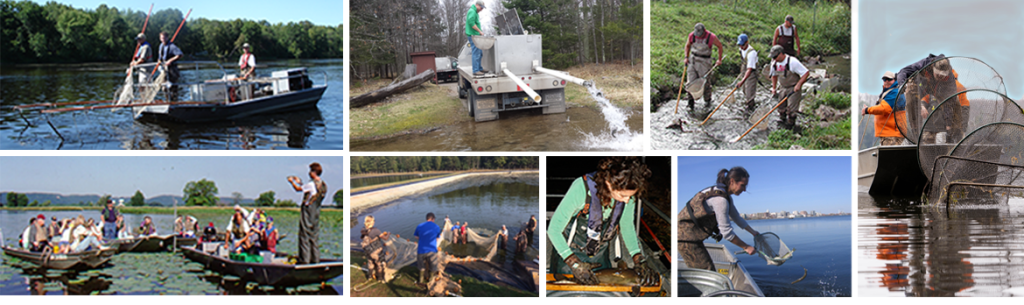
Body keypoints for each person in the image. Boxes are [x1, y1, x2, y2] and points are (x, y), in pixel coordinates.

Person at [547, 157, 656, 285]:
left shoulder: (628, 196)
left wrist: (639, 259)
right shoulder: (581, 189)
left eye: (630, 196)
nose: (627, 200)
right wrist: (574, 264)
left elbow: (627, 228)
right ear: (609, 184)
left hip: (600, 254)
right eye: (622, 196)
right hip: (569, 253)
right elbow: (553, 230)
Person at [678, 167, 760, 271]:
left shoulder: (724, 195)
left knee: (707, 271)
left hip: (692, 236)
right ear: (732, 181)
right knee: (707, 272)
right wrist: (746, 247)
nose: (744, 190)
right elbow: (726, 233)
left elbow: (737, 218)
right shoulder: (720, 200)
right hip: (685, 238)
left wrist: (753, 232)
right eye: (742, 185)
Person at [896, 54, 969, 144]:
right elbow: (903, 71)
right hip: (921, 86)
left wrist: (949, 124)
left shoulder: (950, 79)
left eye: (943, 75)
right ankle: (916, 136)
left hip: (939, 90)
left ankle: (954, 138)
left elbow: (950, 102)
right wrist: (901, 84)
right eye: (938, 74)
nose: (940, 77)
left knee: (956, 102)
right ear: (933, 67)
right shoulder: (924, 64)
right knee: (910, 94)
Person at [288, 162, 327, 264]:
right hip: (316, 212)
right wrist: (300, 182)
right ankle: (315, 260)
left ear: (314, 172)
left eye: (310, 171)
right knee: (314, 237)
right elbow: (310, 190)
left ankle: (304, 261)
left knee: (304, 236)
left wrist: (292, 181)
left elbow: (298, 189)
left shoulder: (311, 184)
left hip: (308, 212)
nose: (309, 173)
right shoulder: (323, 185)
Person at [768, 44, 811, 130]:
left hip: (793, 88)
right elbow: (774, 75)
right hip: (783, 87)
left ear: (781, 54)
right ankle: (781, 124)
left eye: (775, 56)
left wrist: (799, 84)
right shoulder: (774, 63)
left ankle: (791, 127)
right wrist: (774, 87)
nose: (774, 59)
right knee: (781, 108)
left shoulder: (792, 62)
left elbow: (806, 73)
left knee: (791, 111)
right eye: (773, 57)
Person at [684, 23, 724, 110]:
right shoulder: (692, 36)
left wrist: (719, 59)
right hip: (693, 60)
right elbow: (687, 46)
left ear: (704, 31)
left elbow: (719, 46)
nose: (698, 35)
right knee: (690, 82)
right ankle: (690, 103)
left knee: (705, 83)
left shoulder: (711, 37)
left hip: (705, 62)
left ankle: (707, 102)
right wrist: (686, 57)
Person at [862, 71, 906, 146]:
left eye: (889, 79)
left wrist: (867, 110)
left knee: (890, 157)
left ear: (895, 80)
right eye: (884, 79)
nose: (886, 81)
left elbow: (884, 108)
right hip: (889, 133)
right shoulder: (889, 92)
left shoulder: (895, 92)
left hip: (892, 134)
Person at [414, 212, 442, 285]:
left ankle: (421, 280)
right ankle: (430, 279)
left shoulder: (419, 226)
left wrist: (423, 238)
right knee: (433, 266)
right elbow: (437, 238)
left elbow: (416, 237)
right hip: (432, 251)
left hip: (421, 250)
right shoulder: (437, 227)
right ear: (433, 219)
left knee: (421, 267)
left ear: (426, 218)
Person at [361, 215, 390, 282]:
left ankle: (370, 277)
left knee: (370, 263)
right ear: (372, 222)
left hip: (367, 251)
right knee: (379, 264)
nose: (374, 221)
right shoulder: (376, 230)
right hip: (376, 251)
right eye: (374, 220)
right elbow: (385, 238)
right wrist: (388, 234)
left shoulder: (363, 229)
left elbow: (370, 237)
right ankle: (380, 278)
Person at [736, 33, 759, 111]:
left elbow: (749, 69)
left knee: (749, 91)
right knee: (744, 90)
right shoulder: (741, 48)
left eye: (743, 45)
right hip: (745, 67)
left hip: (751, 71)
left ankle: (750, 107)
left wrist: (742, 81)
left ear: (747, 42)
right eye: (740, 45)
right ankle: (749, 102)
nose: (741, 47)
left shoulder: (751, 53)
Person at [157, 31, 183, 101]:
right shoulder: (161, 46)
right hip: (165, 69)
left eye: (164, 38)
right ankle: (168, 100)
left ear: (167, 38)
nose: (163, 40)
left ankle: (174, 100)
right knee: (164, 86)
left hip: (172, 69)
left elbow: (180, 54)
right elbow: (160, 57)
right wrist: (159, 62)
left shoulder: (172, 46)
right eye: (161, 38)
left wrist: (170, 61)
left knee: (173, 86)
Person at [465, 1, 487, 76]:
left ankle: (479, 68)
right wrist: (480, 31)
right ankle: (476, 70)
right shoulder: (472, 11)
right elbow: (471, 23)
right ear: (477, 5)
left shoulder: (475, 12)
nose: (481, 9)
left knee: (479, 52)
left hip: (476, 35)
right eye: (481, 7)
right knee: (476, 52)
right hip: (473, 35)